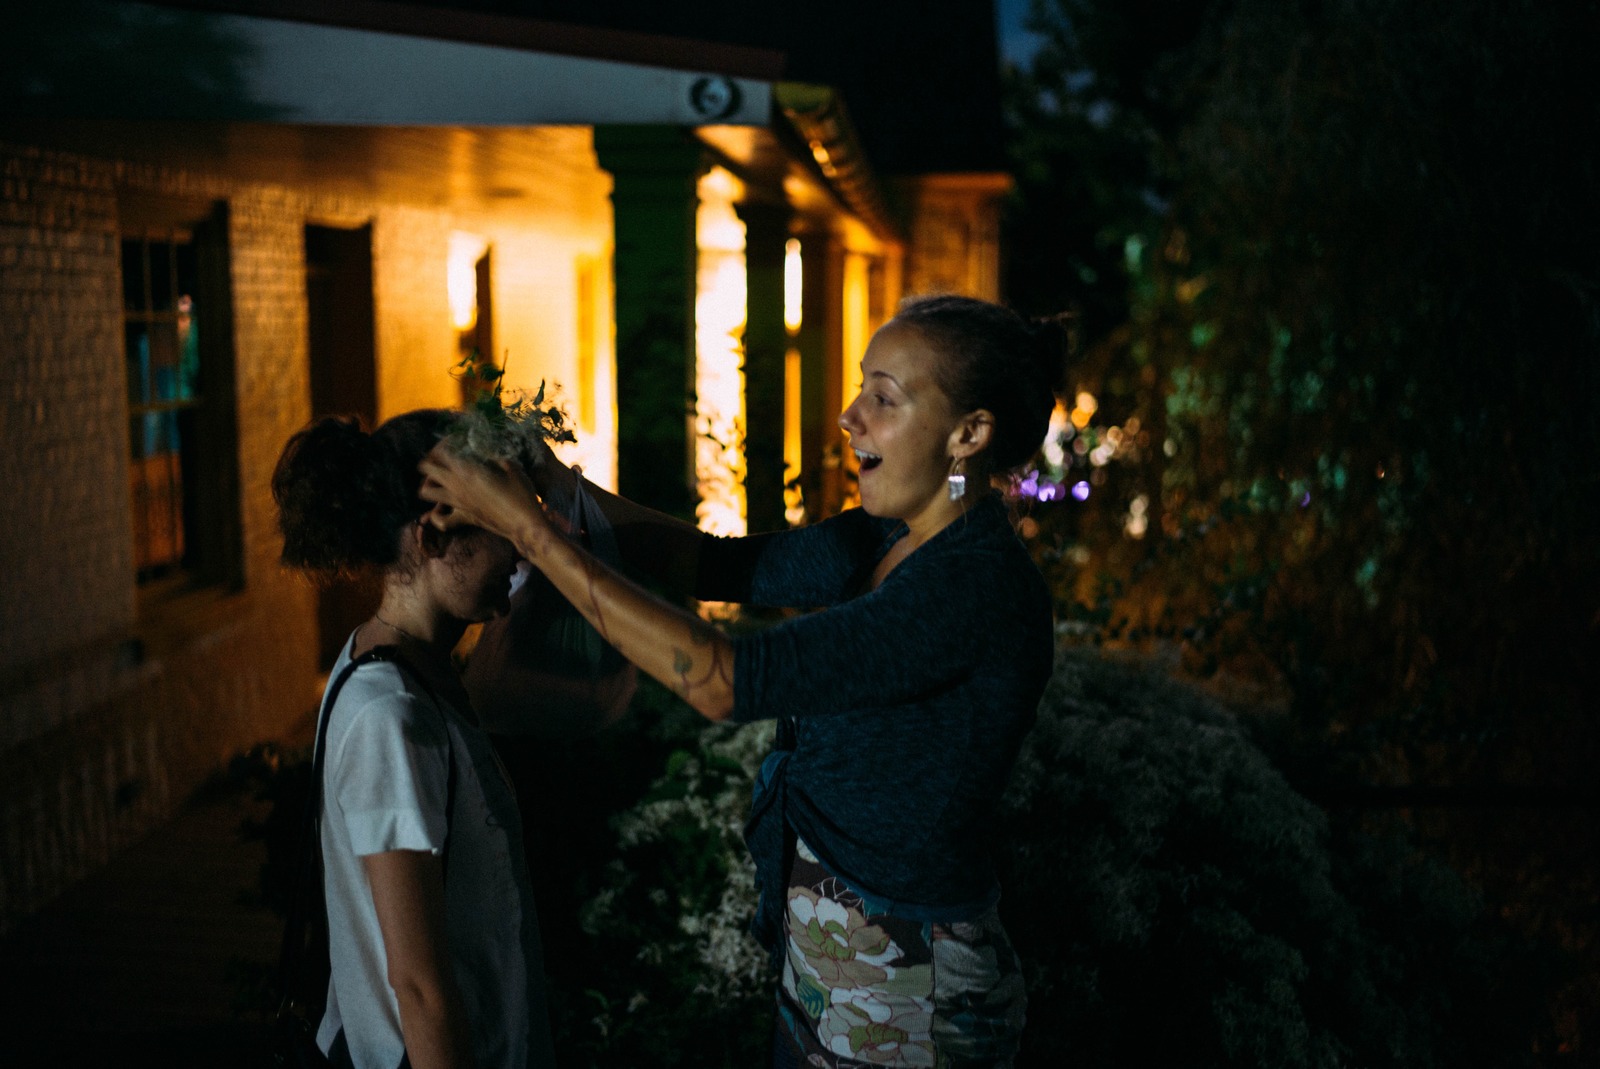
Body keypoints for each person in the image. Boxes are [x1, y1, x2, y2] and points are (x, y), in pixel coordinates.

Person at [419, 295, 1061, 1068]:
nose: (850, 417)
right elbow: (714, 563)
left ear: (970, 432)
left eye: (884, 397)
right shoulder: (886, 536)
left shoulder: (972, 586)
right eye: (862, 388)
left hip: (910, 990)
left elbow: (725, 679)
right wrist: (560, 490)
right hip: (835, 961)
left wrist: (528, 532)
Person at [273, 410, 557, 1069]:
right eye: (504, 530)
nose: (522, 551)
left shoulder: (391, 664)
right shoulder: (389, 717)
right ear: (433, 537)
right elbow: (419, 986)